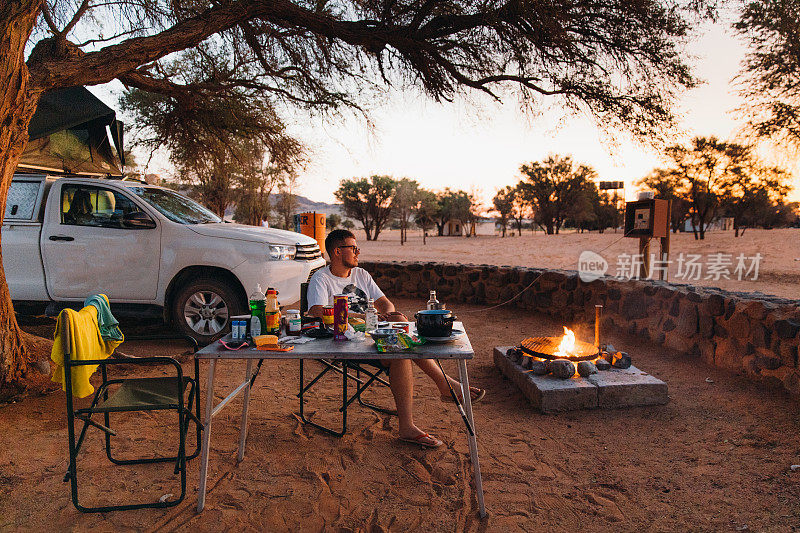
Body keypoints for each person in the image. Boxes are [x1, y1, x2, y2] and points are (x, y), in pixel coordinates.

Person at [307, 229, 486, 448]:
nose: (357, 252)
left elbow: (386, 304)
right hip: (346, 342)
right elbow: (316, 311)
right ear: (337, 252)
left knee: (399, 323)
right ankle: (442, 389)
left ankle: (428, 403)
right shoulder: (321, 278)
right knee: (400, 351)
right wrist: (363, 317)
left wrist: (386, 316)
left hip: (374, 335)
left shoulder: (361, 275)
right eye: (353, 248)